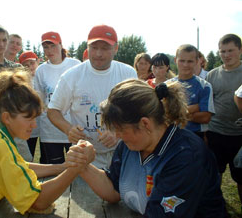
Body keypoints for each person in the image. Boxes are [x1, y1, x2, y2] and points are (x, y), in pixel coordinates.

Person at [66, 79, 226, 217]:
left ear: (145, 123)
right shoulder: (130, 145)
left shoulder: (186, 157)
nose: (118, 136)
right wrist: (82, 165)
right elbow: (114, 191)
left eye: (120, 129)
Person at [0, 68, 95, 218]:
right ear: (7, 117)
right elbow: (38, 202)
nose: (34, 125)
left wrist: (62, 167)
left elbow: (18, 166)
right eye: (29, 118)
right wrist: (75, 168)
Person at [47, 24, 137, 169]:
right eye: (94, 48)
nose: (98, 54)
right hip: (85, 156)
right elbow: (53, 111)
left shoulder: (128, 74)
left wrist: (118, 132)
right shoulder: (71, 76)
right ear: (87, 47)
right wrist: (68, 129)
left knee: (121, 192)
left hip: (123, 152)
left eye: (105, 48)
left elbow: (138, 112)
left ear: (116, 48)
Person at [205, 33, 242, 204]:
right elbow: (207, 105)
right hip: (216, 133)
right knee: (214, 175)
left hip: (239, 135)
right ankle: (216, 208)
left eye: (231, 50)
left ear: (240, 50)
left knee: (241, 178)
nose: (226, 55)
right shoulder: (211, 75)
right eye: (222, 51)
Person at [34, 31, 81, 164]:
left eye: (53, 46)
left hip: (73, 128)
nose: (49, 50)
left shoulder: (75, 64)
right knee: (53, 171)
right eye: (45, 47)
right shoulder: (41, 70)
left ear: (61, 45)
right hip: (50, 131)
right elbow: (39, 99)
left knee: (78, 170)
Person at [167, 44, 214, 140]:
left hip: (195, 136)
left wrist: (176, 113)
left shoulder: (205, 86)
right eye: (182, 61)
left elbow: (205, 118)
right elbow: (163, 114)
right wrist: (194, 108)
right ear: (175, 60)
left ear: (197, 61)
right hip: (170, 135)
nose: (185, 65)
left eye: (190, 61)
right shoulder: (167, 86)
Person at [18, 51, 40, 158]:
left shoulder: (44, 77)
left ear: (38, 62)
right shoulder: (21, 81)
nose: (30, 67)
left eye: (32, 63)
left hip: (45, 125)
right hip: (29, 125)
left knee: (45, 156)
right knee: (29, 154)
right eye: (25, 65)